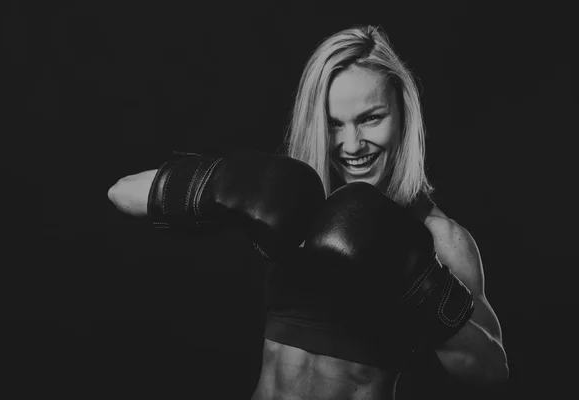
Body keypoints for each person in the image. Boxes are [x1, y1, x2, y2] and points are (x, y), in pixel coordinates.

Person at [108, 25, 508, 400]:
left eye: (371, 119)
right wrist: (221, 182)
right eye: (334, 124)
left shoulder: (438, 236)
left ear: (403, 116)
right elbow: (121, 194)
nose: (352, 144)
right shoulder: (287, 201)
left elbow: (492, 370)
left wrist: (421, 283)